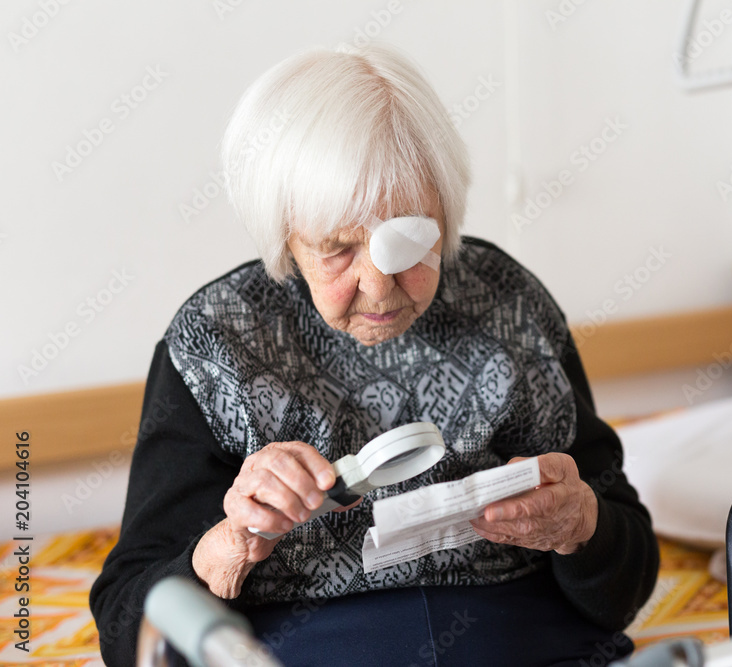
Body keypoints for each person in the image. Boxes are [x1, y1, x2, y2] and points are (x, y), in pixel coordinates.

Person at [90, 44, 659, 667]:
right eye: (338, 249)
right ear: (284, 236)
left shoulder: (510, 304)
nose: (381, 285)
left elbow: (627, 581)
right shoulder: (214, 343)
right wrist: (225, 548)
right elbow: (126, 629)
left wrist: (583, 524)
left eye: (411, 238)